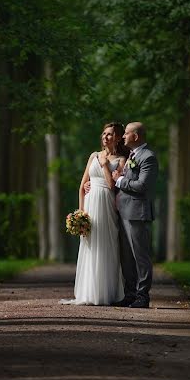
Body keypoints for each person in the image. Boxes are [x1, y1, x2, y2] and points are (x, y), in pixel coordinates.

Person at [64, 122, 128, 305]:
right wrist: (81, 213)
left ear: (117, 137)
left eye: (109, 134)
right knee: (90, 245)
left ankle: (106, 293)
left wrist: (106, 165)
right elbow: (82, 186)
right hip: (91, 205)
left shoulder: (122, 159)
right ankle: (88, 292)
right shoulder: (93, 156)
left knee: (107, 244)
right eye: (103, 134)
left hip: (107, 205)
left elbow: (112, 185)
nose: (105, 137)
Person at [111, 122, 158, 309]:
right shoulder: (131, 155)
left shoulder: (148, 157)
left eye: (126, 133)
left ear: (136, 136)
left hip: (137, 213)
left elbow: (142, 186)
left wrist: (120, 180)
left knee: (140, 257)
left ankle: (142, 296)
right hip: (123, 212)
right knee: (127, 257)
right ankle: (129, 294)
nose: (123, 136)